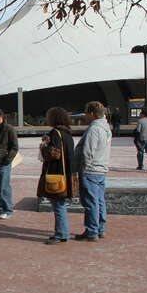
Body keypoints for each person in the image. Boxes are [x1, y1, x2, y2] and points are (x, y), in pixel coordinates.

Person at [37, 108, 78, 245]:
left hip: (56, 174)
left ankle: (61, 234)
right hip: (67, 174)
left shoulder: (55, 133)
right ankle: (61, 232)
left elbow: (54, 154)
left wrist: (43, 147)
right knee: (60, 205)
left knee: (58, 205)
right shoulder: (67, 133)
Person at [73, 101, 112, 242]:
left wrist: (83, 168)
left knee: (90, 202)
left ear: (92, 113)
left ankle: (92, 231)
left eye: (86, 114)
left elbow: (87, 151)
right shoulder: (106, 127)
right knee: (99, 200)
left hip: (90, 170)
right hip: (101, 168)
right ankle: (100, 228)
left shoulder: (94, 129)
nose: (85, 116)